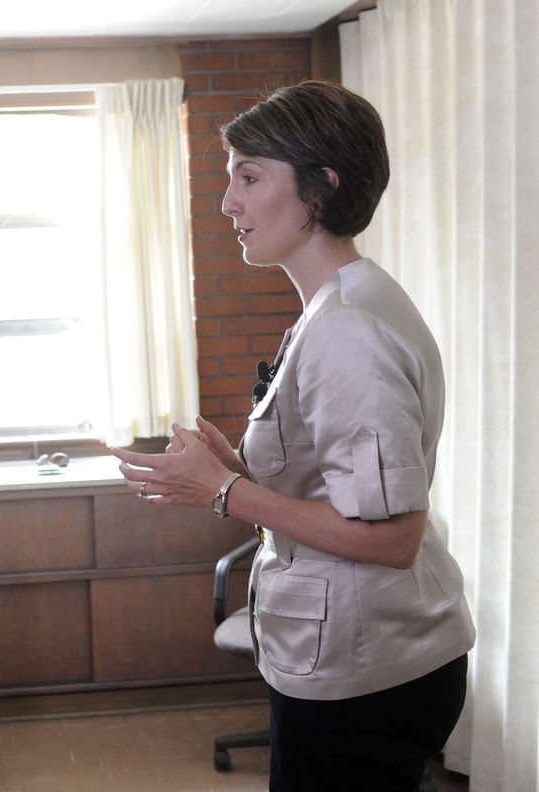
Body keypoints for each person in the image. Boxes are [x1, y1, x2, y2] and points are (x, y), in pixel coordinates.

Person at [112, 80, 475, 791]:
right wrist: (238, 468)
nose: (228, 204)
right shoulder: (347, 300)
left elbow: (391, 538)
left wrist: (224, 492)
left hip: (364, 667)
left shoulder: (347, 328)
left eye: (249, 178)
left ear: (320, 187)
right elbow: (342, 475)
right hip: (368, 654)